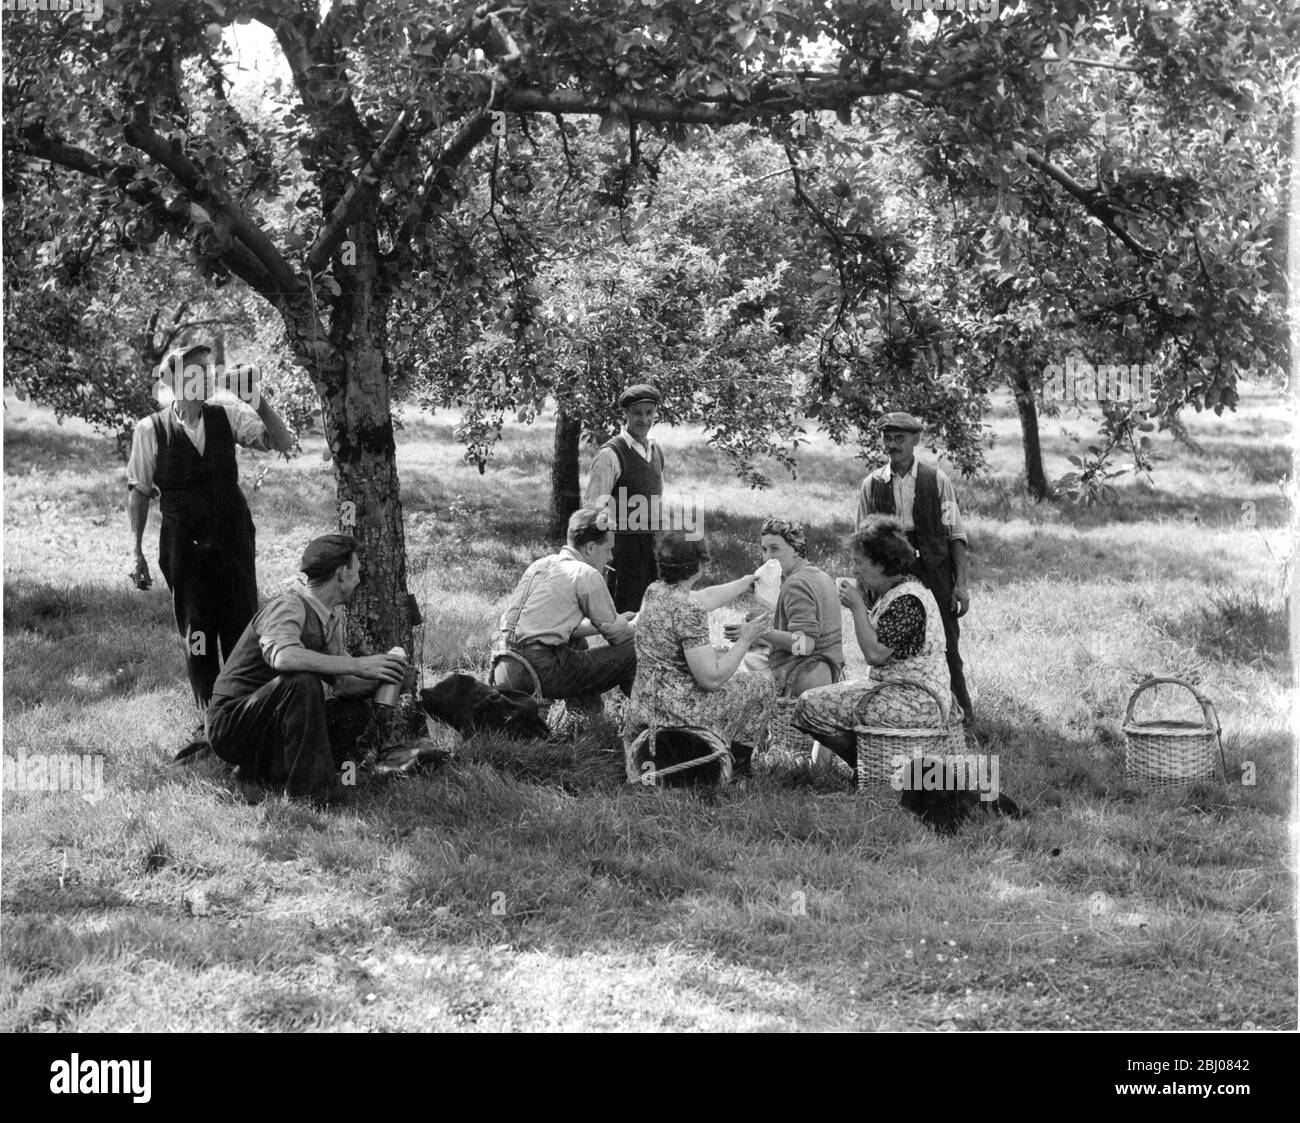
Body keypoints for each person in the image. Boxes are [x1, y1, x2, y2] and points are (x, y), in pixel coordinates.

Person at [127, 343, 295, 715]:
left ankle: (246, 709)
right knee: (198, 632)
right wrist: (135, 551)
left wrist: (257, 400)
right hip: (184, 547)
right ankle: (211, 713)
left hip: (233, 540)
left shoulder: (227, 417)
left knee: (241, 624)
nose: (201, 380)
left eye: (205, 373)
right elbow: (138, 492)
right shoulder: (150, 430)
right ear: (171, 381)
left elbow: (283, 443)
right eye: (192, 373)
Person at [205, 533, 410, 804]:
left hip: (268, 722)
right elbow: (283, 658)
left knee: (352, 710)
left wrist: (384, 674)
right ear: (341, 574)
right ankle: (311, 794)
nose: (359, 579)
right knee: (302, 683)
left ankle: (262, 772)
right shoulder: (290, 605)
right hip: (231, 726)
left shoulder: (330, 615)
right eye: (356, 571)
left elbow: (343, 684)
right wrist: (359, 664)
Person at [791, 517, 957, 772]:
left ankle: (869, 766)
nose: (855, 569)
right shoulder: (899, 589)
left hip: (916, 701)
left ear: (880, 564)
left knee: (809, 705)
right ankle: (872, 763)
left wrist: (857, 606)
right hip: (905, 693)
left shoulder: (908, 601)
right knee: (818, 701)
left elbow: (875, 654)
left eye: (859, 562)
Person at [622, 531, 773, 779]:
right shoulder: (689, 610)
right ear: (700, 565)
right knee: (762, 683)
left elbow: (703, 598)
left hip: (645, 704)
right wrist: (746, 639)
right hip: (677, 710)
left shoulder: (655, 590)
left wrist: (744, 582)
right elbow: (710, 680)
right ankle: (737, 767)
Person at [854, 411, 974, 723]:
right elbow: (862, 540)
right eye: (888, 438)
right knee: (890, 644)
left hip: (934, 566)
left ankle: (961, 715)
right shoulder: (871, 485)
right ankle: (901, 716)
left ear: (916, 441)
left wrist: (960, 585)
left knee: (947, 642)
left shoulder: (936, 479)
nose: (892, 445)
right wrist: (865, 586)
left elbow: (956, 535)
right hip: (890, 571)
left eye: (900, 438)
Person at [497, 508, 637, 706]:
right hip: (540, 669)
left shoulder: (540, 564)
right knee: (635, 651)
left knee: (577, 644)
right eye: (608, 549)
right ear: (590, 548)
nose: (611, 557)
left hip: (506, 666)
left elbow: (552, 628)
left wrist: (613, 621)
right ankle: (647, 720)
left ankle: (587, 717)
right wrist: (640, 623)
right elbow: (621, 636)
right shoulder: (585, 573)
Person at [726, 517, 844, 694]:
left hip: (801, 680)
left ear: (796, 550)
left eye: (775, 549)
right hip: (833, 674)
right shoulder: (820, 576)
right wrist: (758, 630)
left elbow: (805, 645)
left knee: (730, 670)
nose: (767, 557)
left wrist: (761, 631)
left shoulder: (795, 584)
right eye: (764, 549)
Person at [583, 383, 665, 613]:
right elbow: (593, 507)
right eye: (637, 413)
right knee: (626, 609)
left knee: (654, 608)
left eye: (650, 413)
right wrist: (606, 549)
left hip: (652, 543)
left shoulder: (656, 450)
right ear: (625, 413)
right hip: (624, 546)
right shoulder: (611, 453)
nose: (644, 420)